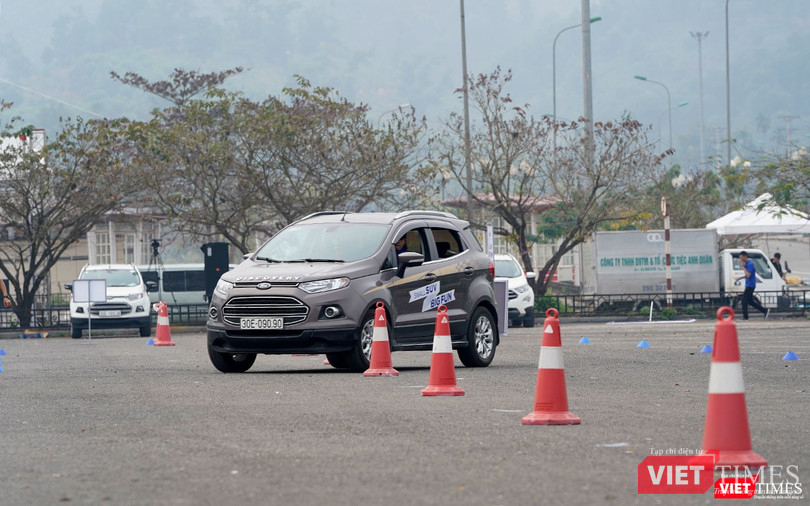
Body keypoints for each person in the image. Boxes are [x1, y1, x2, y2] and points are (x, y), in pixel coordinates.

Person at [735, 251, 769, 320]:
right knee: (750, 301)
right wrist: (740, 277)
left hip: (750, 285)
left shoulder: (750, 264)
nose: (740, 259)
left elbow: (749, 275)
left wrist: (743, 267)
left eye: (741, 258)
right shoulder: (747, 264)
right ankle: (764, 310)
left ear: (745, 256)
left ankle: (745, 317)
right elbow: (747, 275)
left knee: (744, 301)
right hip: (748, 284)